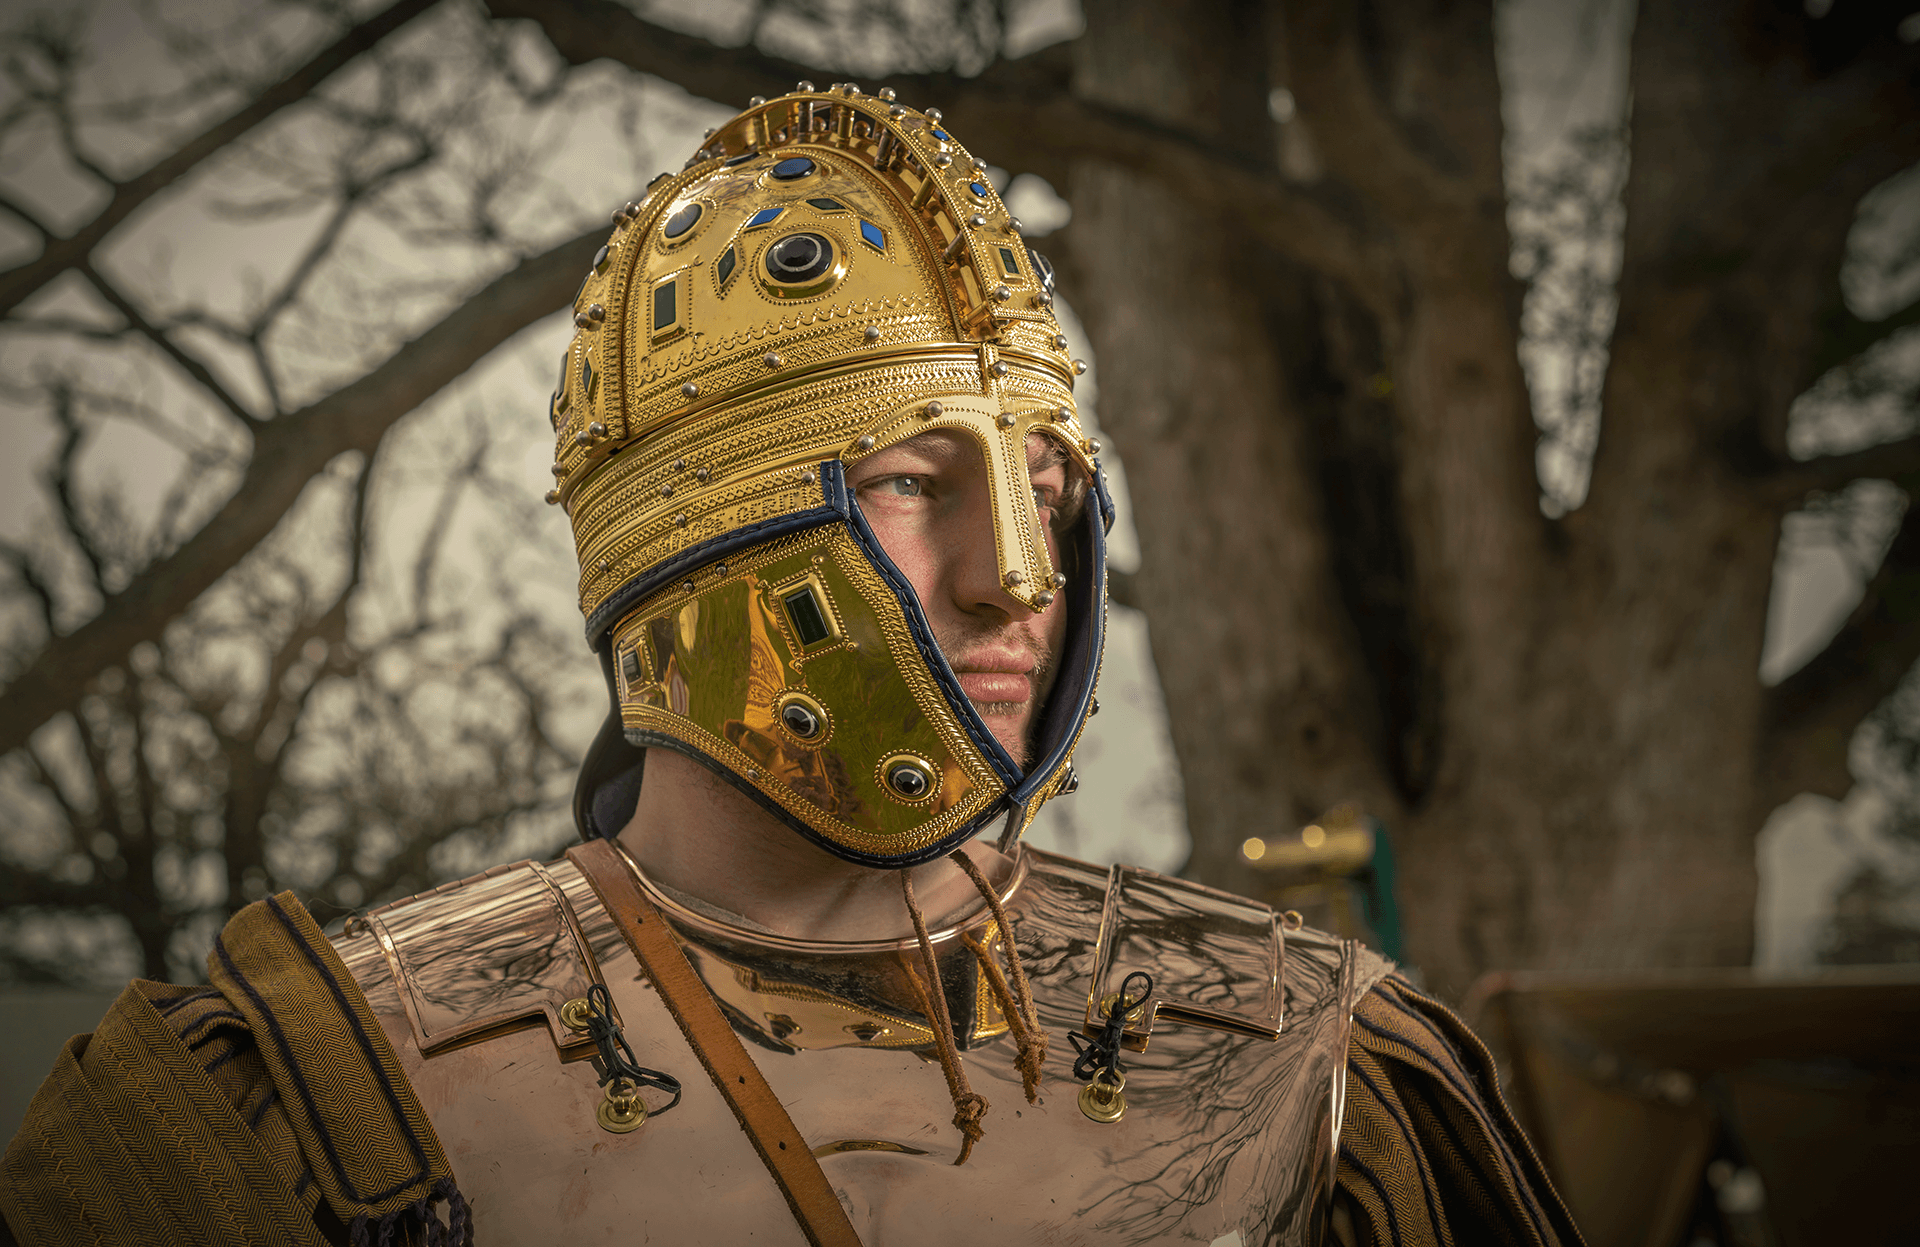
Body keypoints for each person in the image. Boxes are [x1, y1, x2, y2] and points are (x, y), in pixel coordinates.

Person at [1, 84, 1582, 1247]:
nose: (1009, 582)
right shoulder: (315, 1098)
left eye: (1043, 491)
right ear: (684, 541)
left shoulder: (1314, 1068)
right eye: (911, 483)